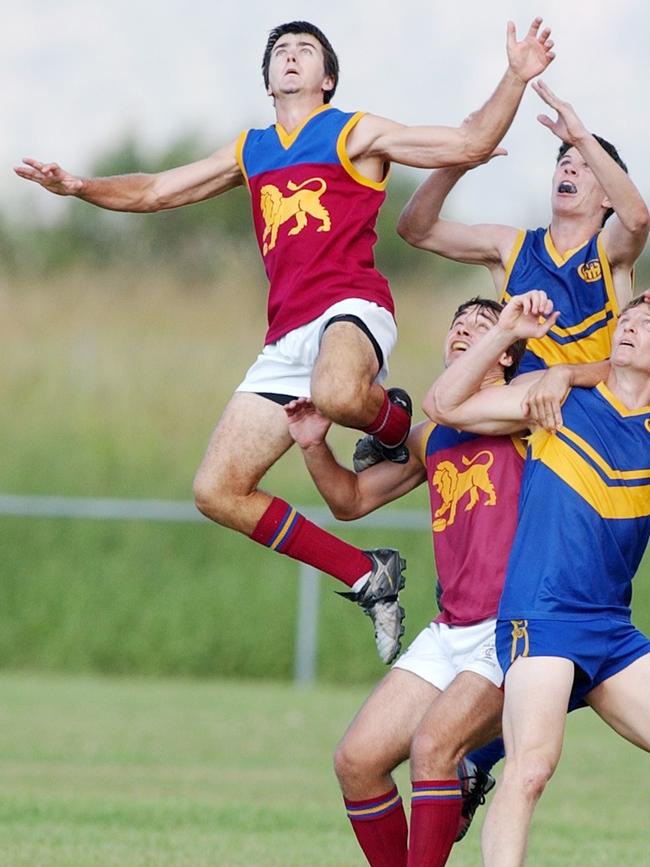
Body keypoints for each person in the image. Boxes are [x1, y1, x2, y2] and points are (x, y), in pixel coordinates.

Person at [14, 19, 555, 664]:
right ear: (269, 79)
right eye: (280, 52)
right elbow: (157, 191)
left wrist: (517, 76)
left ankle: (393, 419)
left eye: (305, 51)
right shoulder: (252, 149)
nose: (290, 57)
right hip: (286, 337)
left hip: (353, 309)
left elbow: (470, 140)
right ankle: (365, 573)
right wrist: (79, 187)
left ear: (326, 78)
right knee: (217, 490)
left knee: (334, 389)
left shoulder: (354, 131)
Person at [285, 295, 599, 867]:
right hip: (450, 627)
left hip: (514, 626)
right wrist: (312, 445)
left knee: (434, 747)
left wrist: (529, 349)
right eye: (458, 325)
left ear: (504, 355)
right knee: (356, 763)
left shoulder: (528, 414)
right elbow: (349, 501)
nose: (465, 331)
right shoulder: (431, 437)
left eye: (483, 326)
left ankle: (475, 768)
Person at [424, 290, 650, 867]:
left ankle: (478, 760)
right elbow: (444, 406)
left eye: (647, 325)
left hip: (612, 629)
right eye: (629, 318)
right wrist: (508, 339)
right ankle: (485, 763)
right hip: (543, 616)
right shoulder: (555, 398)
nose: (630, 326)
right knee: (532, 769)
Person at [398, 80, 649, 374]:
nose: (569, 169)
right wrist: (458, 163)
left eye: (587, 167)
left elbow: (637, 219)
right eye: (565, 162)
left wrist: (580, 137)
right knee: (438, 411)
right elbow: (416, 230)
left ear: (609, 196)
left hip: (585, 407)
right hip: (513, 406)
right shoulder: (510, 245)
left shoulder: (610, 250)